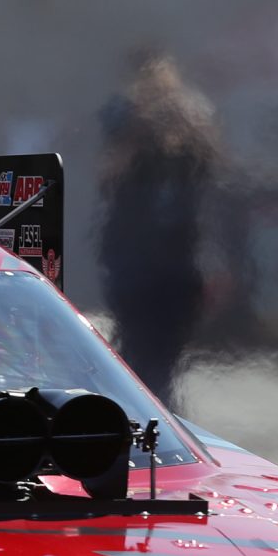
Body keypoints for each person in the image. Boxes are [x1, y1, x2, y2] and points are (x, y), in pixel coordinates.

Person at [97, 51, 221, 407]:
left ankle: (161, 406)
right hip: (132, 250)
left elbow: (217, 163)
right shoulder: (124, 119)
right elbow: (107, 176)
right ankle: (143, 406)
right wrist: (139, 131)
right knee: (136, 339)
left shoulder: (192, 128)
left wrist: (187, 124)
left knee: (168, 345)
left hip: (179, 252)